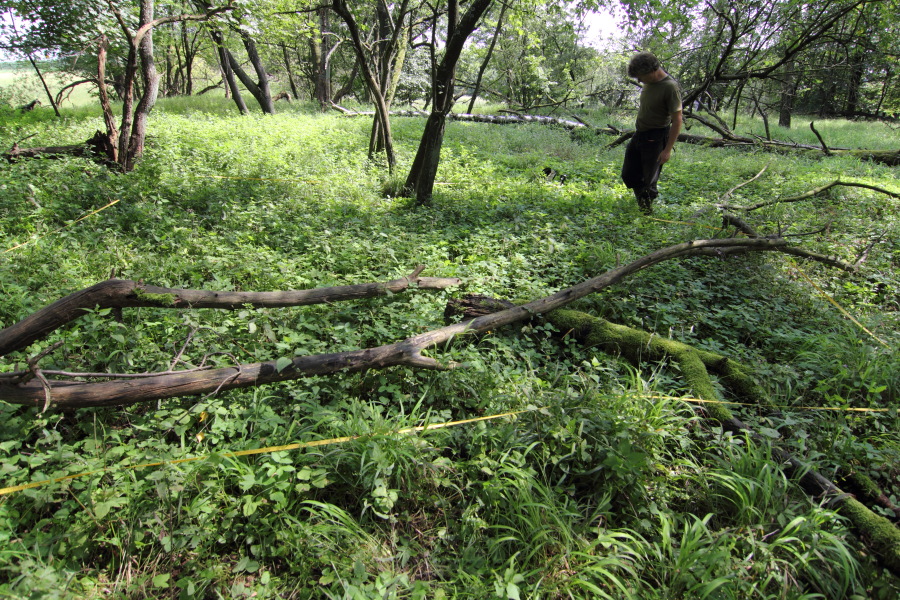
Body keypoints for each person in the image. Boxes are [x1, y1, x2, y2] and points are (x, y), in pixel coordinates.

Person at [621, 52, 683, 214]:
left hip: (656, 137)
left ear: (652, 70)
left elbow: (677, 120)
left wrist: (667, 150)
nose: (639, 81)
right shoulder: (649, 83)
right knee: (629, 174)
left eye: (640, 77)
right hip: (639, 134)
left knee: (649, 180)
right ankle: (642, 202)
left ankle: (646, 212)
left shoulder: (670, 87)